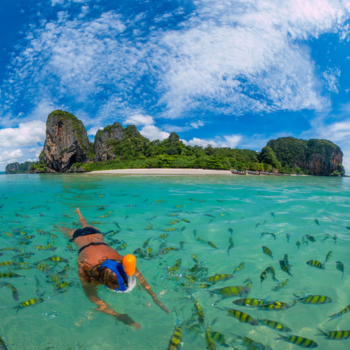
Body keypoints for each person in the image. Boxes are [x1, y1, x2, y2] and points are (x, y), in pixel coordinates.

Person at [56, 208, 170, 330]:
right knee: (78, 224)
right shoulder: (85, 268)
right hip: (90, 234)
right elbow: (94, 299)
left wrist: (155, 299)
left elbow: (142, 280)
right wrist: (119, 316)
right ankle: (77, 213)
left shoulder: (120, 261)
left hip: (92, 235)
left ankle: (75, 213)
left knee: (64, 227)